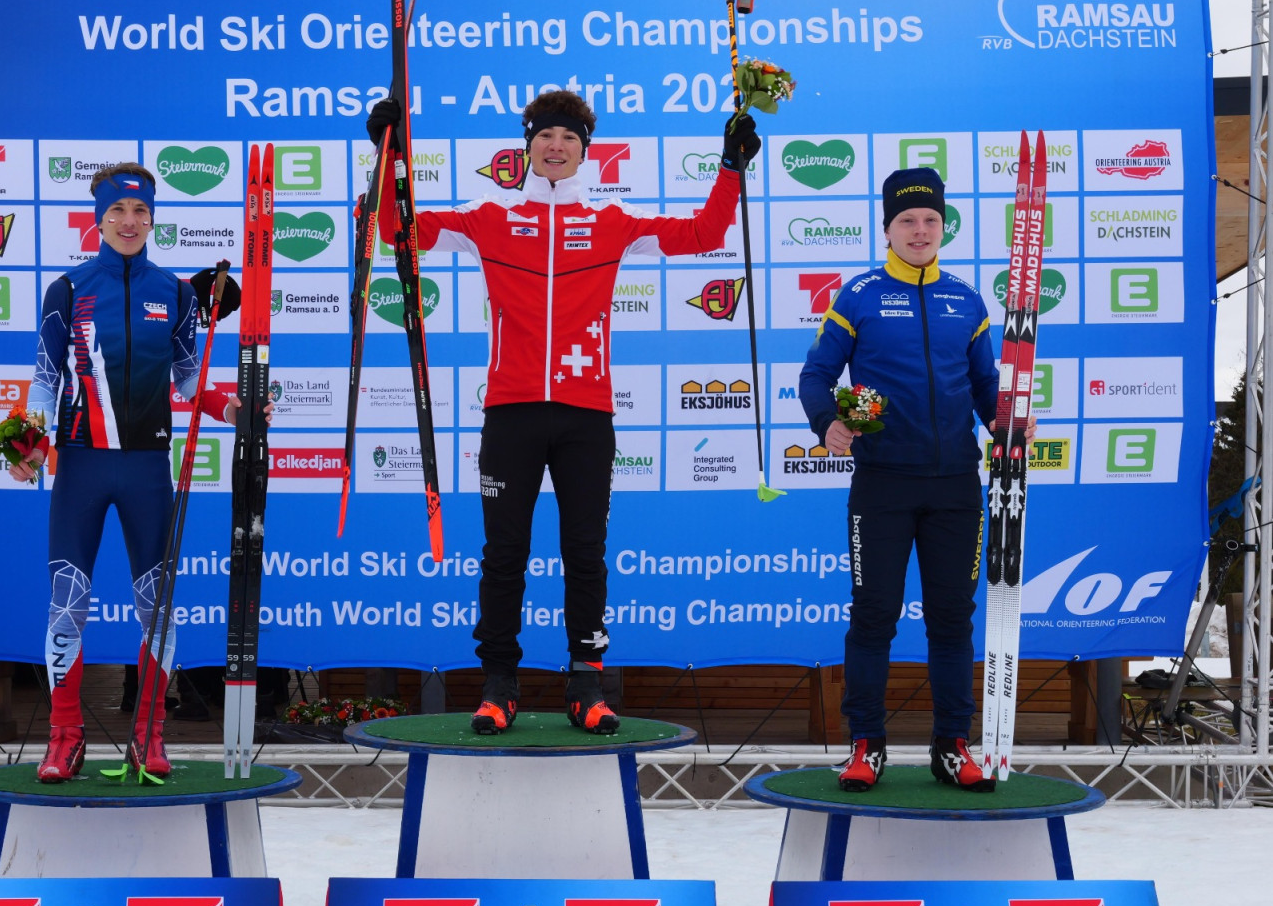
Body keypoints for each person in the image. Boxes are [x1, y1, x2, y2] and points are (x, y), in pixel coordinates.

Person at [366, 91, 758, 735]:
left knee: (585, 551)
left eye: (569, 138)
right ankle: (498, 685)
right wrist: (388, 160)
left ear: (584, 151)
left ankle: (586, 684)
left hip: (586, 415)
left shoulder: (612, 220)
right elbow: (397, 230)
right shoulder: (491, 217)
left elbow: (703, 235)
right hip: (512, 411)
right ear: (527, 146)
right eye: (545, 136)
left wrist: (731, 169)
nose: (556, 146)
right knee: (504, 554)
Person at [799, 166, 1031, 792]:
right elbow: (815, 375)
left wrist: (1005, 421)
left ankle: (952, 745)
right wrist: (828, 423)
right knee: (874, 615)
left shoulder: (967, 299)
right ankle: (865, 745)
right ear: (888, 229)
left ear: (943, 225)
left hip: (955, 484)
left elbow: (984, 384)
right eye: (907, 220)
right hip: (882, 483)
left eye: (930, 219)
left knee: (952, 618)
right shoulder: (859, 296)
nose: (920, 230)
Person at [11, 162, 242, 783]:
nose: (129, 221)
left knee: (157, 608)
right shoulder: (67, 288)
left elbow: (189, 379)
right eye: (117, 210)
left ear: (153, 218)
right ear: (99, 218)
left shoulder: (177, 292)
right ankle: (64, 738)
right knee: (66, 603)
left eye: (140, 211)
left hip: (147, 469)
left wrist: (232, 408)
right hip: (81, 465)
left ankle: (149, 736)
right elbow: (44, 380)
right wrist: (27, 449)